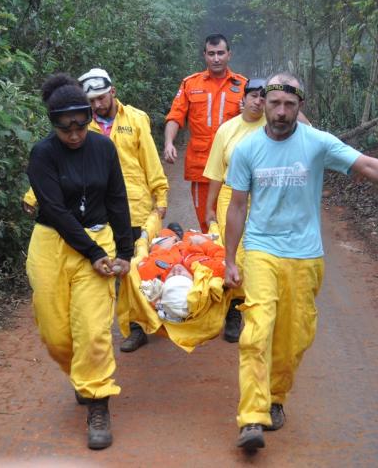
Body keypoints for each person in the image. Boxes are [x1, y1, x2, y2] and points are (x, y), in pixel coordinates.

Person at [223, 72, 378, 451]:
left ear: (300, 107)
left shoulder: (317, 143)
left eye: (289, 105)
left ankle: (275, 398)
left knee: (295, 337)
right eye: (274, 103)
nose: (280, 111)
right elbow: (237, 207)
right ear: (264, 103)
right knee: (256, 330)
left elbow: (367, 165)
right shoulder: (246, 149)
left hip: (306, 255)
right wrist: (229, 259)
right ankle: (252, 417)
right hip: (261, 251)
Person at [24, 67, 169, 353]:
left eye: (101, 98)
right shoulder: (79, 125)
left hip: (133, 205)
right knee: (107, 273)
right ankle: (113, 328)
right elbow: (58, 170)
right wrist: (32, 196)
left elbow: (150, 159)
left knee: (131, 269)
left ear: (112, 92)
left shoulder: (136, 120)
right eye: (92, 100)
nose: (98, 105)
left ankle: (136, 326)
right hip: (95, 210)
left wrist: (160, 193)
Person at [25, 73, 134, 450]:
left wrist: (124, 252)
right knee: (56, 334)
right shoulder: (42, 155)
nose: (74, 134)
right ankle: (80, 373)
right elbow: (54, 210)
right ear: (53, 124)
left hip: (99, 238)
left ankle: (98, 400)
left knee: (93, 330)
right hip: (52, 245)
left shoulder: (104, 149)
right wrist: (94, 254)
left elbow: (118, 198)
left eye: (81, 125)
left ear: (89, 116)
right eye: (65, 128)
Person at [203, 79, 311, 343]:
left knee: (261, 256)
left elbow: (309, 131)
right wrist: (209, 208)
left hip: (265, 196)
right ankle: (233, 311)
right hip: (232, 196)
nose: (258, 101)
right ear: (244, 98)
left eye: (265, 98)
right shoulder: (227, 130)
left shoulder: (277, 126)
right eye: (253, 96)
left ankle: (260, 311)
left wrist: (288, 99)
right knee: (236, 257)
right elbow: (216, 171)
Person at [163, 33, 247, 233]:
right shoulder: (190, 84)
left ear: (229, 54)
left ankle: (234, 262)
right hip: (202, 165)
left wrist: (250, 112)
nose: (216, 58)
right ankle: (214, 261)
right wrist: (168, 142)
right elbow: (175, 116)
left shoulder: (244, 85)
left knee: (235, 220)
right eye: (211, 54)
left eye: (220, 53)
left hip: (234, 165)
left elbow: (259, 120)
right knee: (206, 220)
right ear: (204, 55)